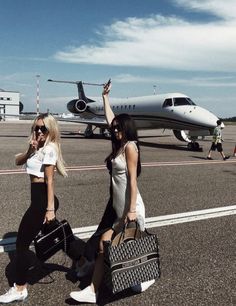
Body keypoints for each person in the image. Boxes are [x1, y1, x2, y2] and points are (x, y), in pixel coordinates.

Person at [70, 81, 154, 304]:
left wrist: (131, 211)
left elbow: (133, 182)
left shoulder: (130, 147)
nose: (115, 131)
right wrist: (105, 98)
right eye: (114, 128)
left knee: (115, 246)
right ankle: (97, 288)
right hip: (117, 206)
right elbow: (110, 120)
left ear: (127, 129)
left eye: (119, 128)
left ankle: (96, 289)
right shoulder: (120, 144)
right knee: (111, 247)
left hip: (130, 207)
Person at [0, 113, 67, 304]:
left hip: (41, 201)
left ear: (51, 129)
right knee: (54, 236)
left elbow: (50, 180)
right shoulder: (38, 147)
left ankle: (20, 288)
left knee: (21, 245)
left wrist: (50, 209)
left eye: (43, 128)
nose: (38, 131)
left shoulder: (51, 149)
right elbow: (18, 161)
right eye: (36, 127)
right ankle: (82, 259)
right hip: (38, 199)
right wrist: (30, 150)